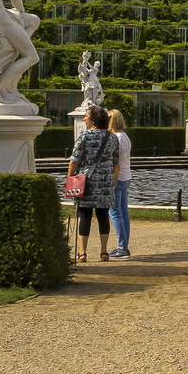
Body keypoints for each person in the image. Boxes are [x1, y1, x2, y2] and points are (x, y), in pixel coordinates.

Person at [67, 107, 119, 263]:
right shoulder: (112, 138)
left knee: (85, 215)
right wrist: (113, 181)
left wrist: (70, 177)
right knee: (103, 215)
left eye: (86, 116)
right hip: (106, 181)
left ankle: (82, 253)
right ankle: (104, 252)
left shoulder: (84, 136)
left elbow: (74, 160)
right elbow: (117, 163)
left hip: (86, 182)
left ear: (93, 119)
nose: (84, 118)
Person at [107, 109, 133, 259]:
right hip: (126, 176)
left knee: (115, 212)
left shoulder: (115, 138)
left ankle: (122, 247)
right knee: (123, 212)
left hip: (118, 177)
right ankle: (123, 245)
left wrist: (112, 180)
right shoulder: (125, 136)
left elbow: (115, 161)